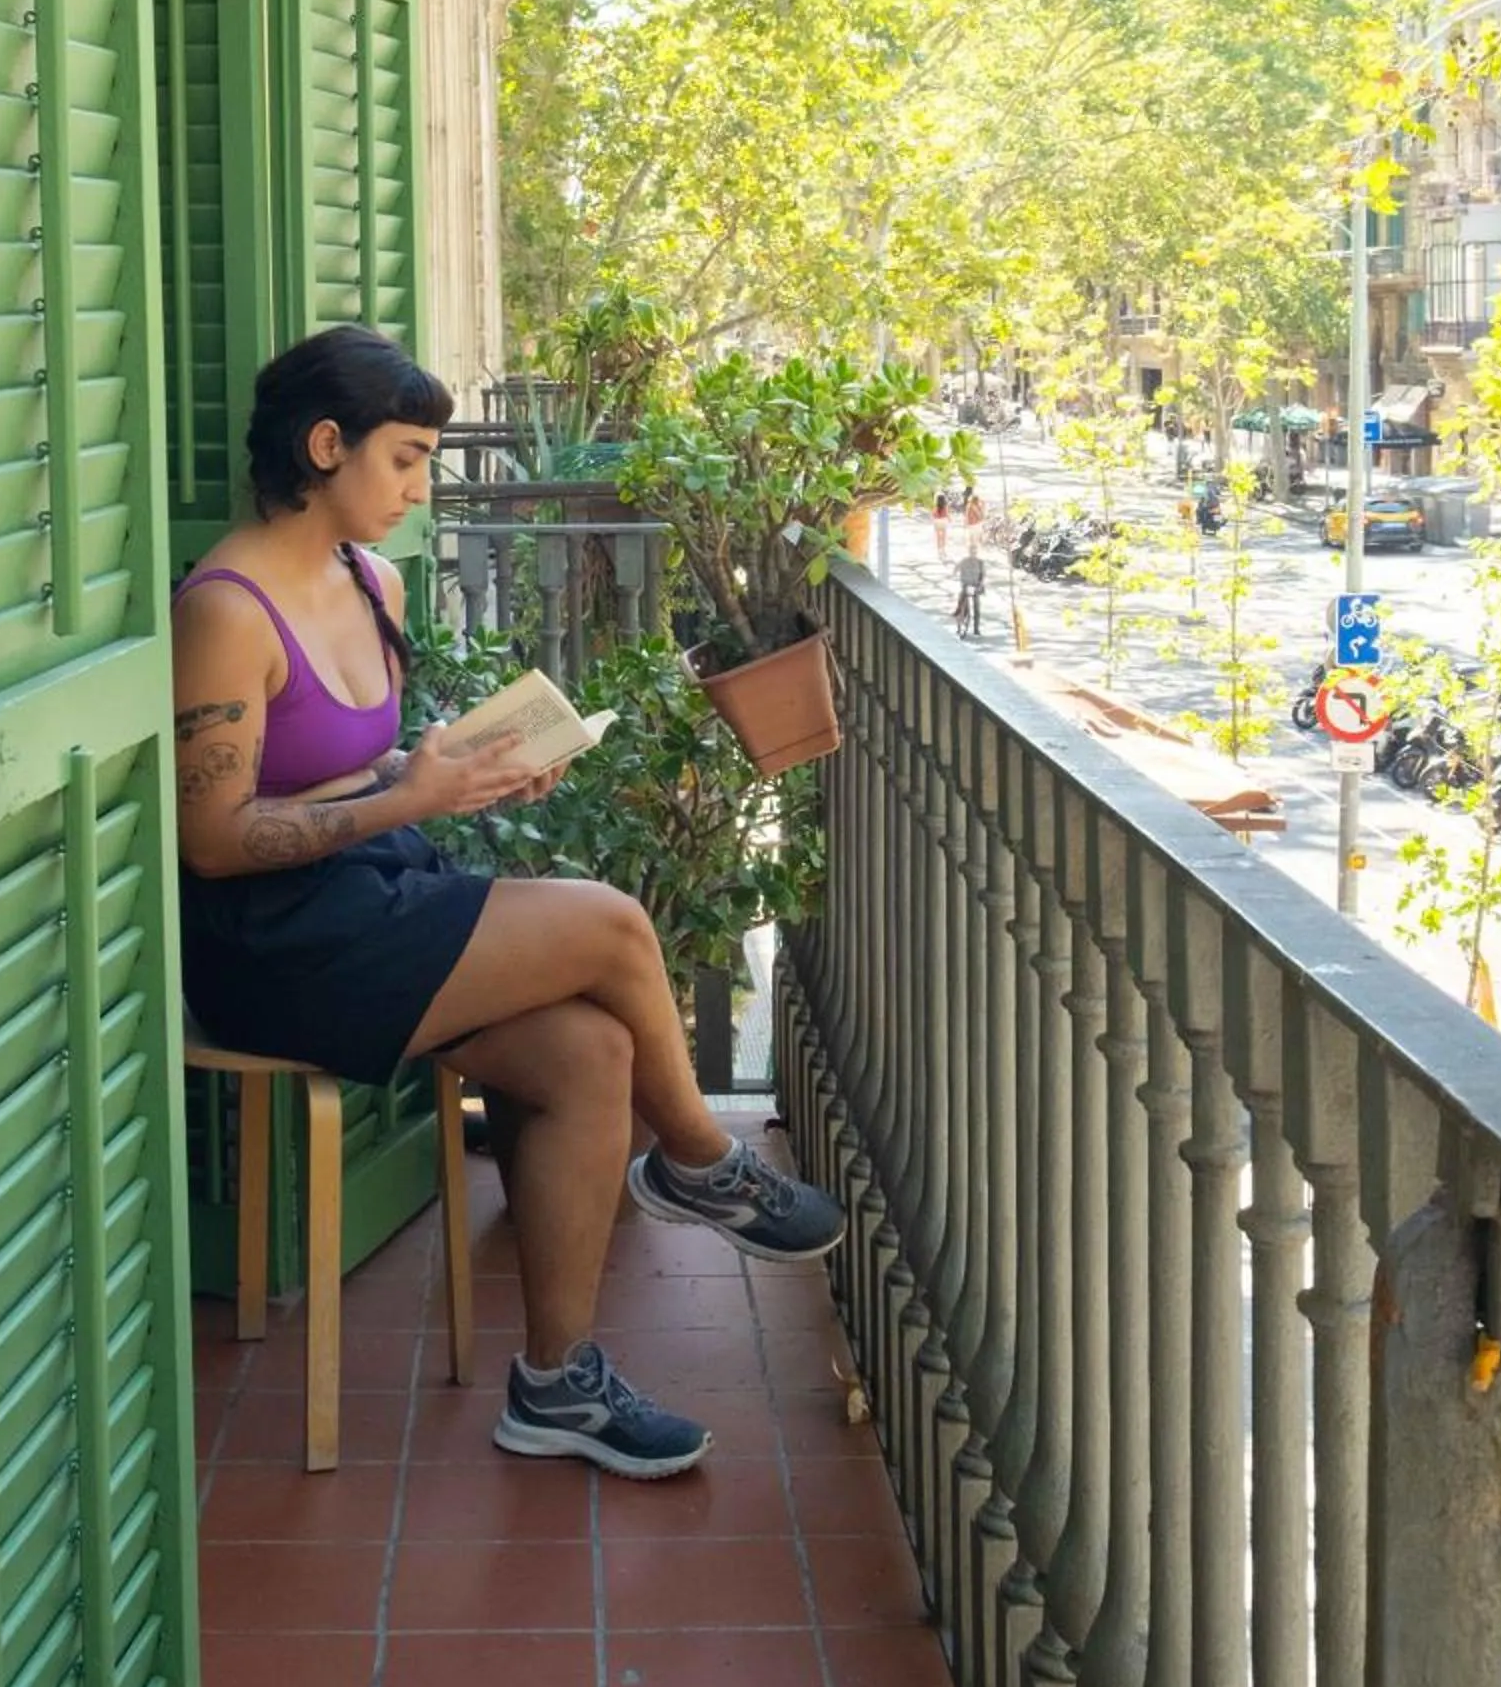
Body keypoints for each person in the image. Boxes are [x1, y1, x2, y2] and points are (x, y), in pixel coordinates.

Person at [172, 324, 845, 1482]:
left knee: (585, 1052)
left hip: (372, 895)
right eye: (403, 458)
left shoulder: (364, 579)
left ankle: (554, 1385)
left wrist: (459, 772)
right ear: (324, 445)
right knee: (609, 923)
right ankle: (694, 1161)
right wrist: (406, 801)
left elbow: (348, 776)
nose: (419, 486)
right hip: (271, 944)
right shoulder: (224, 611)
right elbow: (215, 841)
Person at [954, 542, 986, 640]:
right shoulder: (964, 561)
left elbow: (983, 575)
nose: (973, 553)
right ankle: (960, 621)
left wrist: (980, 584)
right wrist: (955, 575)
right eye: (972, 551)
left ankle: (976, 628)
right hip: (965, 586)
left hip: (975, 587)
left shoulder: (980, 562)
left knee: (976, 607)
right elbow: (956, 569)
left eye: (975, 551)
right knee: (961, 603)